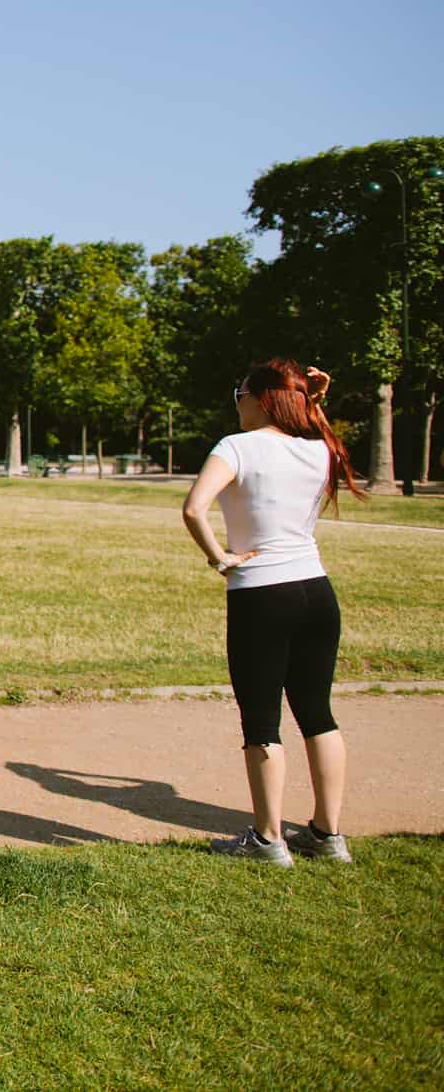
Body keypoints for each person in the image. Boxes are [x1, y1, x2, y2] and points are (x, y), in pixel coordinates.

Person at [182, 359, 361, 866]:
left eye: (238, 392)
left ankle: (267, 839)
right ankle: (328, 835)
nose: (235, 401)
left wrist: (219, 558)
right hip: (316, 591)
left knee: (262, 720)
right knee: (317, 714)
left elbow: (194, 507)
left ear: (260, 399)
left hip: (261, 593)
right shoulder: (317, 449)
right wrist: (314, 401)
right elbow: (309, 432)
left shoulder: (236, 447)